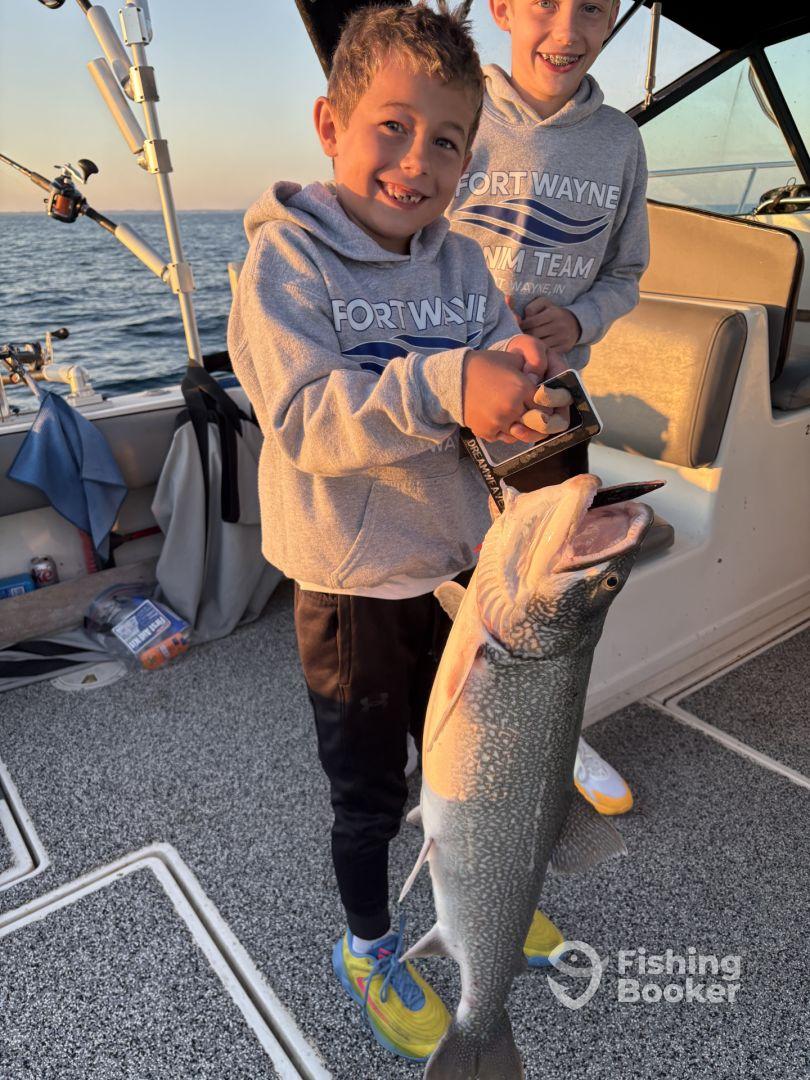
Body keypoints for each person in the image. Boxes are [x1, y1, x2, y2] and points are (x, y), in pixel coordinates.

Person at [227, 2, 568, 1063]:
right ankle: (370, 943)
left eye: (449, 140)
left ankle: (473, 893)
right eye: (392, 126)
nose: (418, 161)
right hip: (350, 587)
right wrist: (448, 383)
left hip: (459, 573)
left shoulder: (464, 266)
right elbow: (306, 420)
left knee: (469, 770)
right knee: (369, 791)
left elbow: (485, 414)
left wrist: (529, 404)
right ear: (331, 124)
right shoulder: (283, 266)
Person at [449, 0, 650, 965]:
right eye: (542, 0)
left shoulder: (620, 141)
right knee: (453, 616)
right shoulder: (457, 112)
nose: (566, 25)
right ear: (498, 8)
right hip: (444, 406)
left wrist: (580, 324)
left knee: (555, 614)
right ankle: (447, 774)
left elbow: (627, 273)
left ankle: (552, 742)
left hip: (551, 411)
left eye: (595, 5)